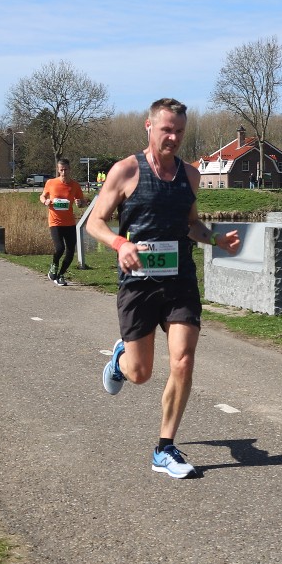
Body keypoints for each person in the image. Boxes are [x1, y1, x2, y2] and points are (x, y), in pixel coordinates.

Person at [84, 98, 242, 479]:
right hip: (138, 285)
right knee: (140, 373)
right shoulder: (126, 171)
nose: (173, 137)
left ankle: (165, 447)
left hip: (179, 280)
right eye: (167, 129)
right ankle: (120, 360)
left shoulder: (190, 175)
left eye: (180, 131)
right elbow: (94, 222)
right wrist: (120, 244)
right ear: (149, 126)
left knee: (183, 360)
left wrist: (215, 239)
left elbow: (191, 224)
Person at [40, 158, 86, 285]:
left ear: (70, 169)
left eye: (66, 169)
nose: (64, 172)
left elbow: (82, 202)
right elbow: (42, 196)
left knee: (70, 252)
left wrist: (80, 203)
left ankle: (61, 275)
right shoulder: (51, 183)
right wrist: (45, 201)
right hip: (55, 222)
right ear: (58, 170)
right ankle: (54, 266)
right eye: (61, 170)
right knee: (60, 248)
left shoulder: (75, 185)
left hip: (69, 222)